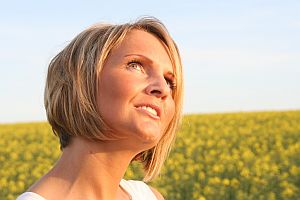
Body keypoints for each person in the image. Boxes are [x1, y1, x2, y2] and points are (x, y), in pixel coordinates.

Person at [17, 16, 183, 200]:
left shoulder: (149, 196)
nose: (162, 88)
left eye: (169, 82)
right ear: (80, 79)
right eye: (135, 65)